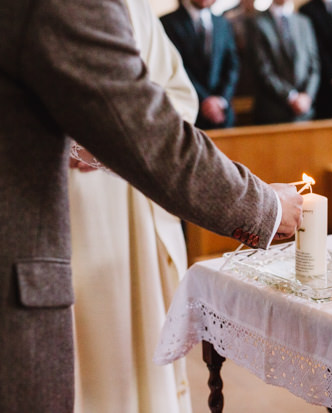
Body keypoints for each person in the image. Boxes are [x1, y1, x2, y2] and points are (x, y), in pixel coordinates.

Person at [0, 0, 303, 412]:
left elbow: (166, 103)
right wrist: (265, 207)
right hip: (57, 223)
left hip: (131, 208)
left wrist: (107, 141)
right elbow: (147, 131)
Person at [69, 0, 198, 411]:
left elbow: (180, 97)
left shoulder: (133, 7)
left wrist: (122, 137)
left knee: (140, 340)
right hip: (68, 205)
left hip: (131, 197)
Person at [161, 0, 240, 129]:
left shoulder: (223, 23)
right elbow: (176, 67)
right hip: (188, 114)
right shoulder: (167, 23)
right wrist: (204, 101)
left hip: (222, 114)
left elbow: (232, 65)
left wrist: (221, 100)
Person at [250, 0, 321, 124]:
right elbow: (263, 69)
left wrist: (307, 96)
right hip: (273, 112)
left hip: (304, 111)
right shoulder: (257, 23)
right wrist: (291, 97)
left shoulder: (304, 22)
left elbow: (314, 66)